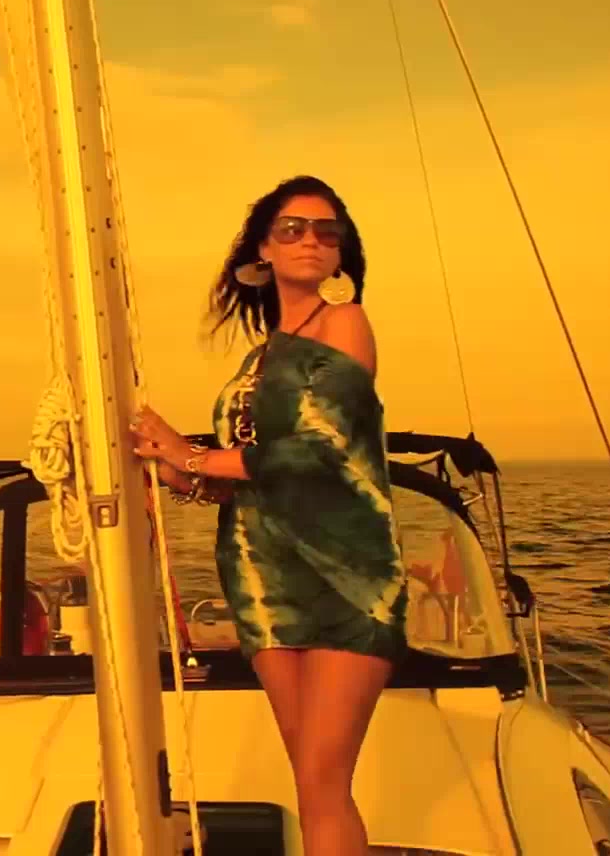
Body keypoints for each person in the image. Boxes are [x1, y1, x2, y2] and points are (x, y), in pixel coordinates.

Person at [129, 175, 408, 856]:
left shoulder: (345, 323)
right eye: (292, 228)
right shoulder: (258, 358)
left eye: (326, 230)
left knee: (324, 782)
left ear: (340, 251)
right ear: (263, 248)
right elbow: (245, 479)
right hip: (261, 575)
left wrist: (190, 453)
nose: (311, 239)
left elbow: (319, 449)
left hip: (345, 574)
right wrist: (164, 464)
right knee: (309, 783)